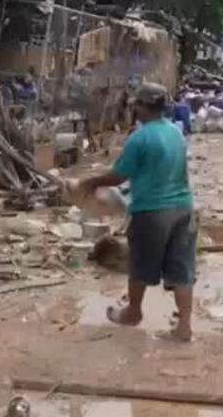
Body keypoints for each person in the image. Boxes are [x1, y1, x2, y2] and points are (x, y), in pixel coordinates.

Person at [75, 82, 196, 342]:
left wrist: (91, 182)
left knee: (140, 265)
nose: (134, 109)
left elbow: (118, 176)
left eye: (136, 105)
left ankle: (133, 312)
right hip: (184, 207)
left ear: (143, 106)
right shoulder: (176, 133)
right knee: (182, 269)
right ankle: (184, 326)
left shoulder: (139, 138)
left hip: (152, 211)